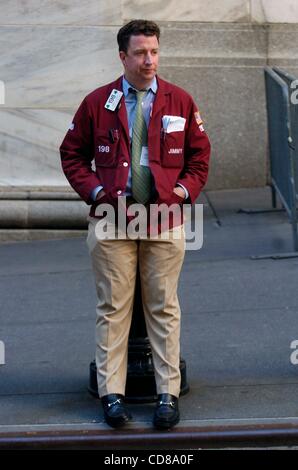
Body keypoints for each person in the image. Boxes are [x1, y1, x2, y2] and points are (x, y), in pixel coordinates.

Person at [60, 19, 211, 430]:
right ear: (123, 56)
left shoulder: (179, 100)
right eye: (141, 53)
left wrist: (181, 193)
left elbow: (199, 158)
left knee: (164, 307)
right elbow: (72, 154)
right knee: (113, 309)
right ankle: (112, 395)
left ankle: (167, 395)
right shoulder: (98, 103)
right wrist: (95, 194)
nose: (150, 60)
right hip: (112, 220)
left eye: (155, 52)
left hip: (164, 216)